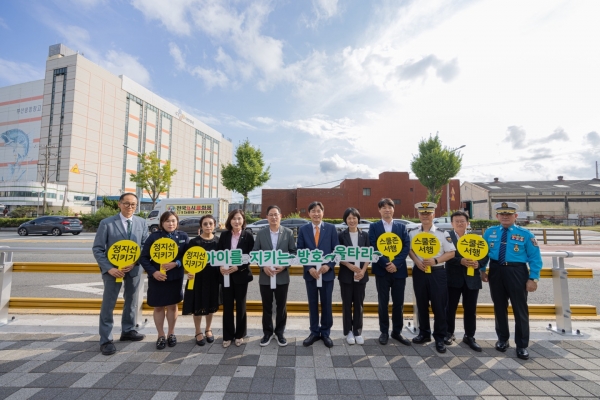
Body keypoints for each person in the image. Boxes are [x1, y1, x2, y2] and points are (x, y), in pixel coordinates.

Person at [480, 202, 542, 360]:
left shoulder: (526, 234)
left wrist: (533, 278)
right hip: (496, 271)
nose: (505, 217)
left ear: (516, 216)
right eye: (502, 214)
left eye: (509, 214)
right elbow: (484, 253)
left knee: (519, 309)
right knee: (499, 307)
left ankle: (521, 345)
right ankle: (502, 339)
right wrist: (482, 270)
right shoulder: (490, 232)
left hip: (517, 272)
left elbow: (535, 257)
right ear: (497, 216)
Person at [92, 193, 148, 356]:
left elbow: (144, 245)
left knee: (132, 300)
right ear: (119, 204)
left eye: (133, 205)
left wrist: (135, 261)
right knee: (109, 303)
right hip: (113, 270)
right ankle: (106, 339)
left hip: (134, 269)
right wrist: (109, 268)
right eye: (127, 204)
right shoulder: (107, 223)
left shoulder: (141, 223)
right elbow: (98, 248)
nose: (130, 207)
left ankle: (128, 330)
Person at [408, 202, 456, 353]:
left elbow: (451, 253)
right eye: (422, 213)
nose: (425, 216)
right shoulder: (413, 232)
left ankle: (440, 337)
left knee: (439, 305)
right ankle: (424, 333)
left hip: (437, 272)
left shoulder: (443, 233)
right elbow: (410, 250)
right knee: (421, 304)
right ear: (418, 215)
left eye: (428, 213)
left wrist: (435, 260)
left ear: (433, 214)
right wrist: (417, 262)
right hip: (420, 271)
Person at [140, 211, 189, 350]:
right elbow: (143, 258)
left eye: (173, 221)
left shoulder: (183, 236)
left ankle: (171, 333)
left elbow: (188, 256)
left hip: (175, 277)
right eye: (167, 221)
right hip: (157, 278)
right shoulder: (154, 237)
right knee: (158, 306)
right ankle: (160, 335)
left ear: (177, 222)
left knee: (173, 306)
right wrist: (153, 272)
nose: (170, 223)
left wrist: (176, 263)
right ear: (162, 223)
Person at [368, 198, 411, 346]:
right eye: (383, 207)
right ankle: (384, 331)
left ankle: (397, 332)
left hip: (399, 271)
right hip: (382, 270)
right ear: (379, 210)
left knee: (398, 303)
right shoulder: (374, 227)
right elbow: (373, 246)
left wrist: (396, 264)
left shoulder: (401, 227)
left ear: (393, 209)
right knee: (383, 302)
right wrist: (386, 263)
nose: (387, 210)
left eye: (389, 207)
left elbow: (406, 246)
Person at [297, 201, 339, 348]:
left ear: (323, 212)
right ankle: (314, 332)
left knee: (327, 304)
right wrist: (309, 267)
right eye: (313, 211)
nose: (316, 214)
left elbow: (336, 251)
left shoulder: (332, 229)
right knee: (313, 303)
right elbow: (300, 250)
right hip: (311, 274)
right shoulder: (303, 230)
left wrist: (329, 265)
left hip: (326, 274)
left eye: (318, 211)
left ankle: (326, 333)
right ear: (309, 213)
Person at [253, 205, 297, 347]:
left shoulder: (288, 233)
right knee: (266, 306)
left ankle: (279, 332)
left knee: (281, 306)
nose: (273, 217)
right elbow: (255, 252)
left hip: (282, 276)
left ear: (281, 216)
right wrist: (262, 266)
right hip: (265, 276)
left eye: (276, 214)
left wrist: (284, 265)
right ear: (266, 217)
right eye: (271, 215)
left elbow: (293, 252)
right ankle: (267, 333)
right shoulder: (261, 233)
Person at [445, 211, 487, 351]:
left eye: (462, 221)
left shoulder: (475, 239)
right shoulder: (447, 237)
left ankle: (469, 336)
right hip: (452, 278)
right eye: (456, 221)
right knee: (450, 308)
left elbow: (485, 255)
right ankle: (449, 333)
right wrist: (460, 261)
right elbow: (444, 255)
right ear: (452, 223)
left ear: (467, 223)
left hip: (472, 279)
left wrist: (479, 264)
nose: (459, 223)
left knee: (470, 309)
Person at [218, 209, 255, 348]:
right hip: (226, 275)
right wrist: (221, 266)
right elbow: (219, 253)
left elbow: (251, 256)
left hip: (241, 275)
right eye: (234, 218)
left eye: (239, 218)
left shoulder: (248, 236)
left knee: (241, 306)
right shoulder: (224, 235)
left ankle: (239, 335)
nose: (236, 221)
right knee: (227, 306)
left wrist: (238, 267)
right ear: (230, 220)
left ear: (243, 220)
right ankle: (227, 336)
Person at [182, 214, 220, 346]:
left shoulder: (218, 241)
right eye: (205, 224)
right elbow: (186, 260)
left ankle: (208, 329)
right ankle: (198, 331)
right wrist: (189, 272)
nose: (208, 226)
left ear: (214, 225)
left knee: (211, 305)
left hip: (213, 278)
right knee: (197, 305)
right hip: (197, 278)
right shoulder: (194, 242)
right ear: (201, 226)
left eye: (211, 223)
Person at [338, 207, 370, 345]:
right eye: (349, 218)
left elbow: (369, 254)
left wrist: (362, 271)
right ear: (345, 220)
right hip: (346, 275)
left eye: (354, 218)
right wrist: (349, 266)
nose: (352, 220)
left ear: (358, 219)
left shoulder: (365, 235)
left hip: (361, 275)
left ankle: (357, 331)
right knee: (347, 304)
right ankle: (348, 331)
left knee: (359, 303)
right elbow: (337, 255)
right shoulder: (341, 235)